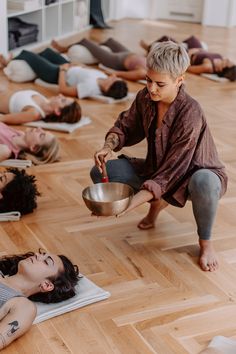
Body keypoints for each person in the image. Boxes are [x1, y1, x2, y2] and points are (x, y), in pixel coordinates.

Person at [90, 41, 228, 272]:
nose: (152, 88)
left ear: (179, 80)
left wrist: (126, 206)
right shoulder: (146, 97)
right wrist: (107, 146)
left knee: (204, 182)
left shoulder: (190, 112)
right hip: (159, 169)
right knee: (100, 172)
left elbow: (174, 171)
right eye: (148, 80)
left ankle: (206, 243)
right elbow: (125, 125)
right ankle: (156, 205)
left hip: (195, 174)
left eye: (160, 84)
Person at [0, 249, 79, 349]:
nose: (37, 255)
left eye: (46, 261)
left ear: (46, 285)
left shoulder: (23, 306)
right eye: (42, 254)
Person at [0, 49, 128, 100]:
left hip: (56, 74)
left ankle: (7, 63)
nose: (114, 76)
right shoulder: (104, 77)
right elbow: (86, 70)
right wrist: (75, 64)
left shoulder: (90, 88)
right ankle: (28, 63)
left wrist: (62, 71)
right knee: (47, 52)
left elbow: (63, 89)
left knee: (28, 54)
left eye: (115, 80)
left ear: (107, 88)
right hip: (69, 66)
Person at [140, 35, 236, 81]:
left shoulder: (208, 67)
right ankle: (153, 47)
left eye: (229, 62)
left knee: (167, 40)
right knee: (193, 38)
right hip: (198, 49)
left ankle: (149, 48)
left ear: (224, 68)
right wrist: (200, 50)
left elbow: (188, 68)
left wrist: (187, 54)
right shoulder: (222, 59)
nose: (228, 60)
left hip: (188, 52)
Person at [51, 37, 147, 81]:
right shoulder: (158, 65)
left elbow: (124, 74)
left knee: (84, 41)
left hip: (116, 60)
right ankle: (96, 49)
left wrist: (113, 73)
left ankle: (63, 48)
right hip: (128, 53)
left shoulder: (145, 73)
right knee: (110, 41)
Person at [0, 88, 81, 125]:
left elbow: (4, 118)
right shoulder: (45, 100)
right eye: (64, 97)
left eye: (63, 100)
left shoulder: (34, 113)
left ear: (58, 111)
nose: (60, 95)